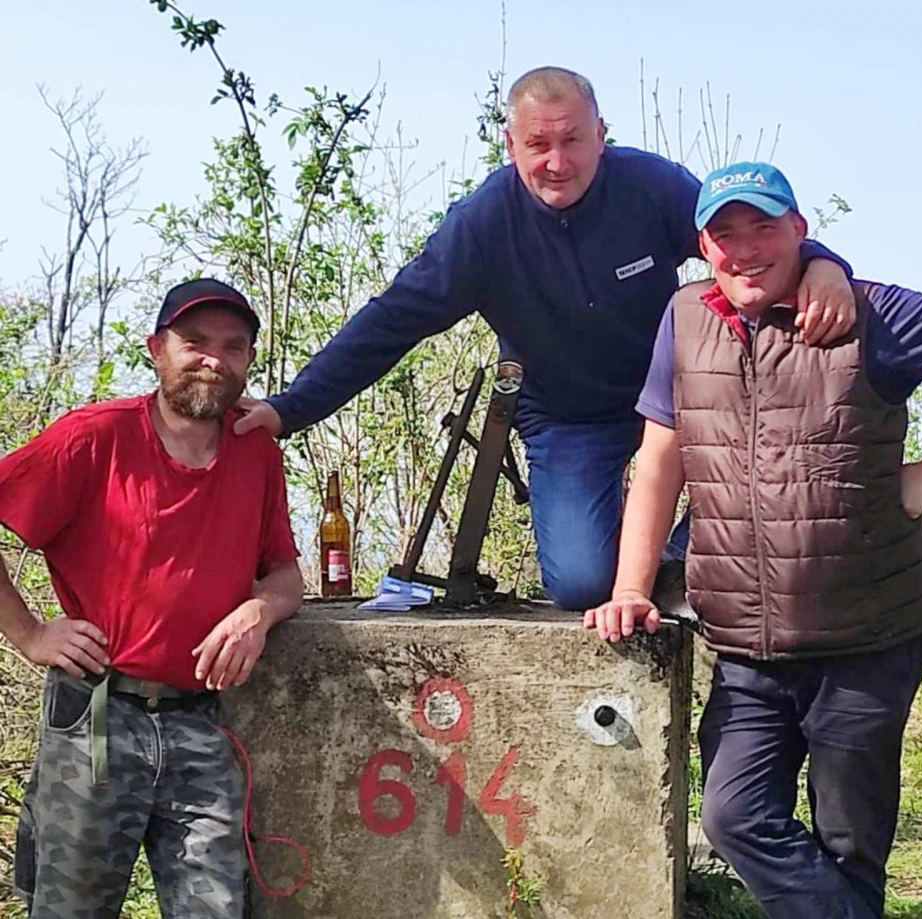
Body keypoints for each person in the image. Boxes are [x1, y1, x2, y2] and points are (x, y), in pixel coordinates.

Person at [234, 66, 857, 610]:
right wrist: (291, 408)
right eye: (538, 144)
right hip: (568, 416)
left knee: (771, 483)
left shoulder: (651, 186)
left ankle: (676, 561)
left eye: (572, 140)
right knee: (585, 583)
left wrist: (825, 265)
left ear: (601, 137)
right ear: (511, 145)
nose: (557, 162)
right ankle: (656, 569)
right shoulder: (481, 227)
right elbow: (391, 320)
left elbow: (748, 242)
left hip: (680, 406)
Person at [584, 161, 922, 918]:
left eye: (763, 227)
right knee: (733, 814)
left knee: (850, 844)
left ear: (800, 232)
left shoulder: (872, 313)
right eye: (724, 233)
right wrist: (631, 587)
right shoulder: (683, 319)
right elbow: (658, 462)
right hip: (746, 649)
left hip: (868, 638)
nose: (744, 248)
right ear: (702, 246)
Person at [0, 278, 303, 918]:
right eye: (193, 342)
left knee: (218, 909)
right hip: (99, 716)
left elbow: (285, 574)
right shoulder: (95, 438)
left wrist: (260, 610)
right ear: (156, 350)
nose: (212, 360)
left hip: (203, 721)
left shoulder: (256, 453)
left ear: (249, 361)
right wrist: (29, 634)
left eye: (232, 346)